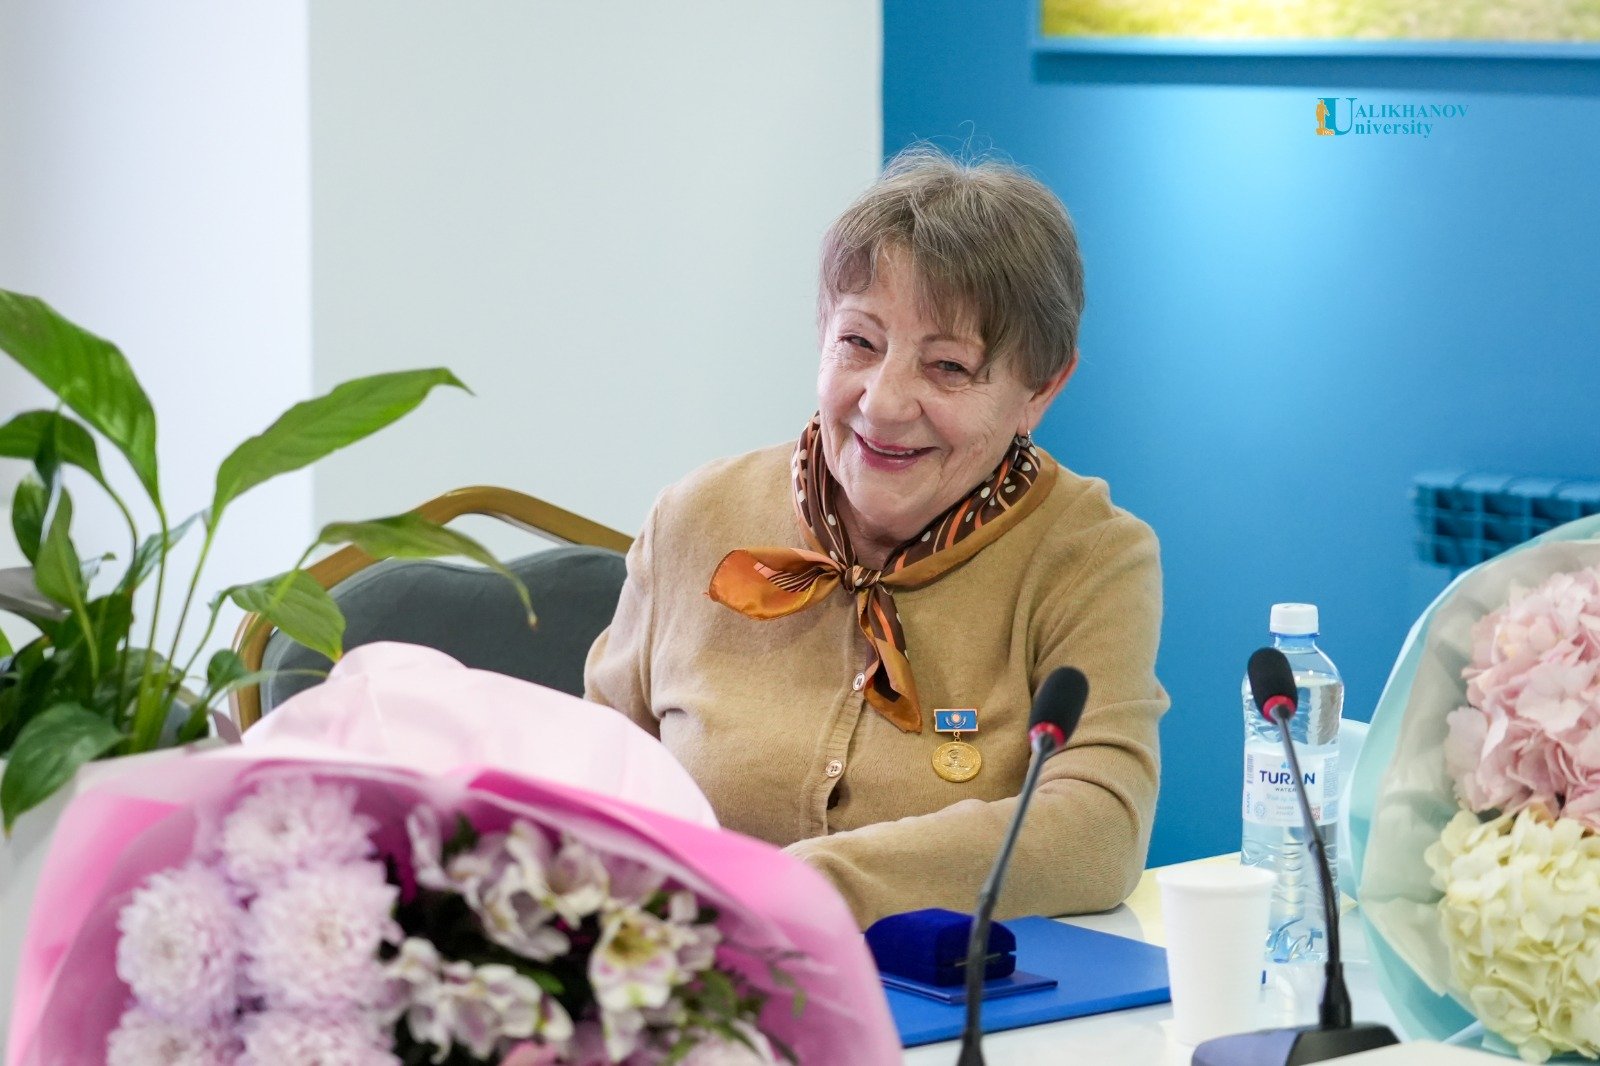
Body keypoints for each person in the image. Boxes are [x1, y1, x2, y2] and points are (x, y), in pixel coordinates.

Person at [585, 147, 1167, 929]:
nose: (885, 403)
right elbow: (585, 782)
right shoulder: (694, 517)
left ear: (1041, 388)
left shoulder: (1090, 555)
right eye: (859, 343)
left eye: (949, 366)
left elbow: (1097, 828)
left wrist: (817, 884)